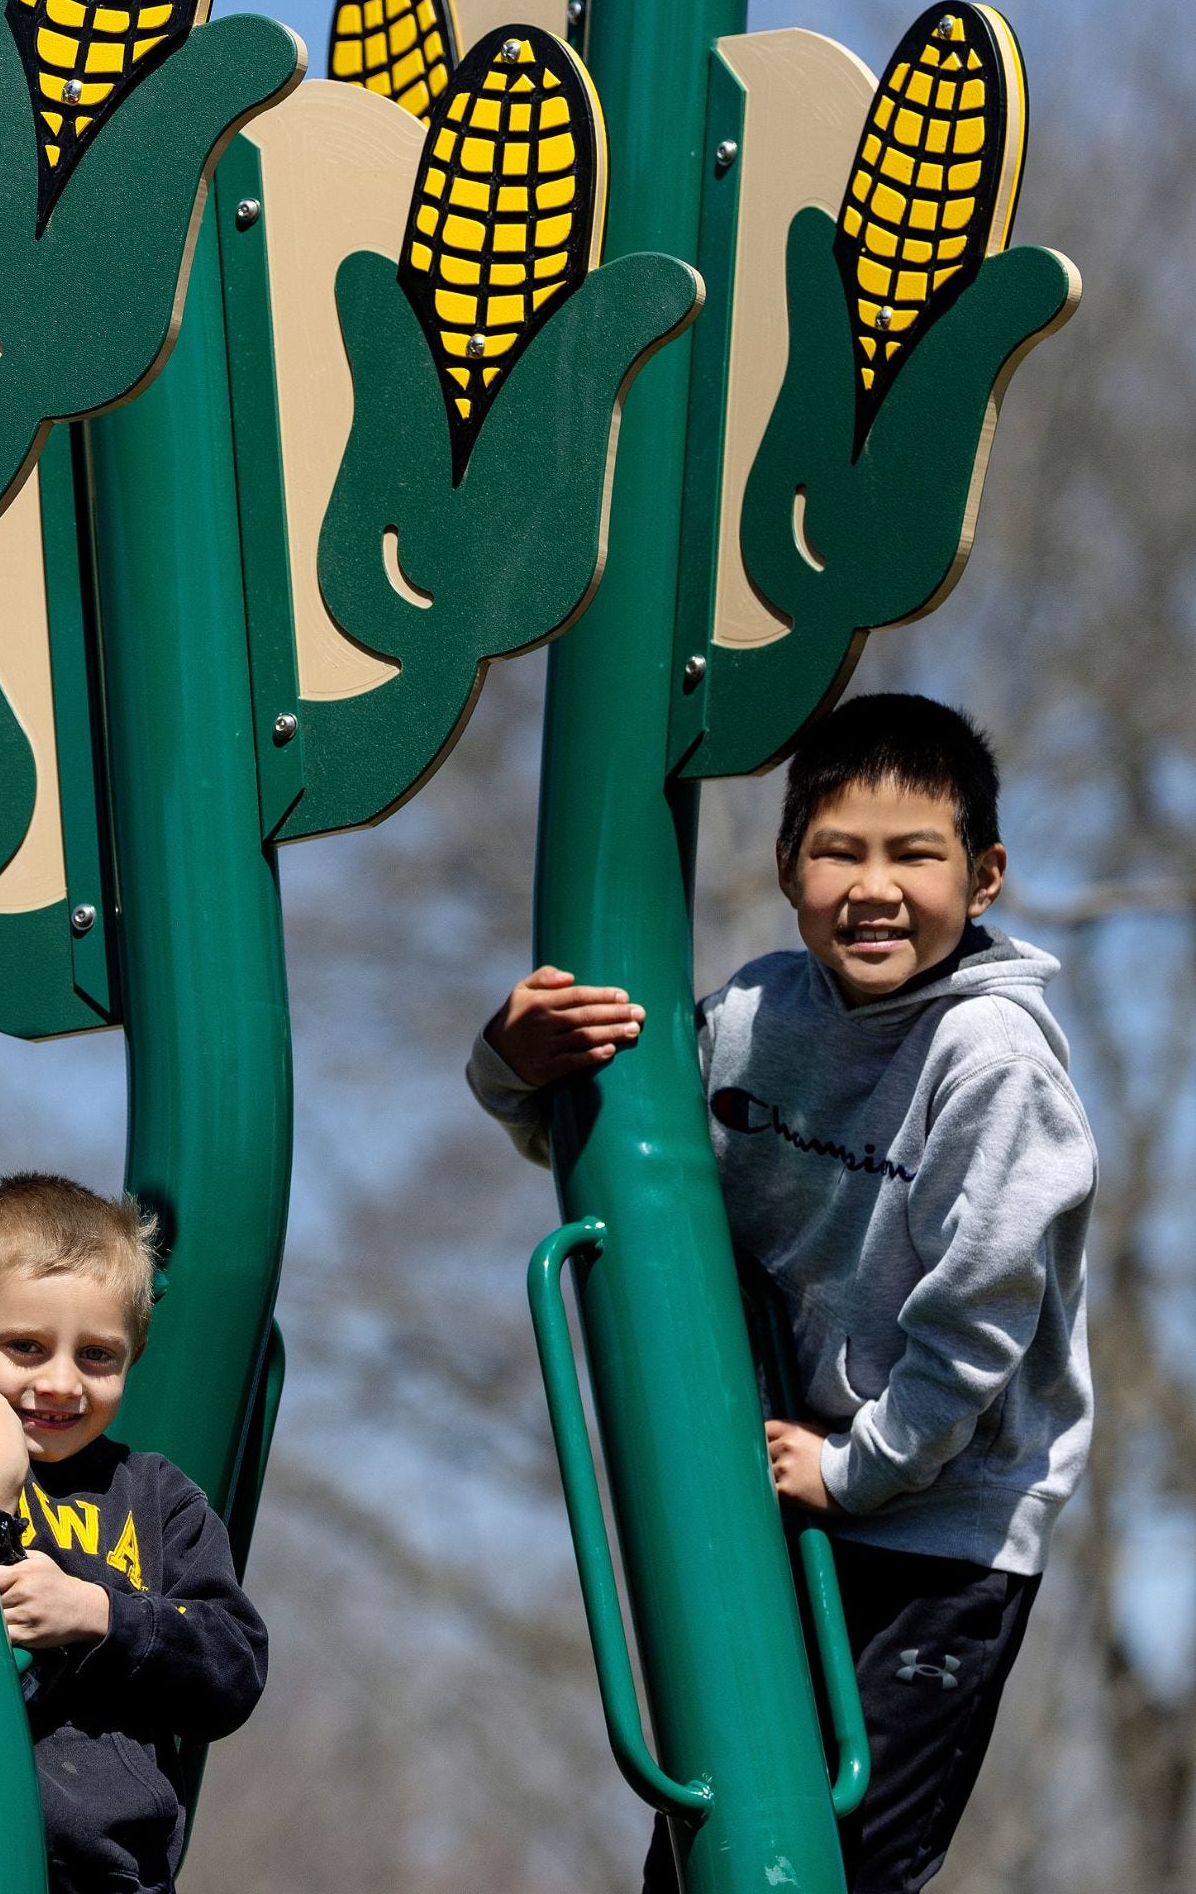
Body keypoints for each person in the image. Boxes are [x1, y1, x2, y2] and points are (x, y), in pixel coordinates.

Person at [468, 693, 1095, 1894]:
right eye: (836, 850)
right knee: (718, 1840)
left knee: (844, 1856)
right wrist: (511, 1065)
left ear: (985, 874)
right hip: (782, 1481)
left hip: (939, 1517)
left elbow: (978, 1316)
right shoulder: (755, 1018)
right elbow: (615, 1153)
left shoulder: (993, 1062)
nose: (872, 886)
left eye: (914, 852)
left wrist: (858, 1467)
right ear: (784, 866)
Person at [0, 1171, 266, 1894]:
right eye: (25, 1346)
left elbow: (235, 1665)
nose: (62, 1382)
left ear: (134, 1357)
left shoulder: (156, 1497)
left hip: (120, 1874)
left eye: (96, 1355)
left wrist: (99, 1615)